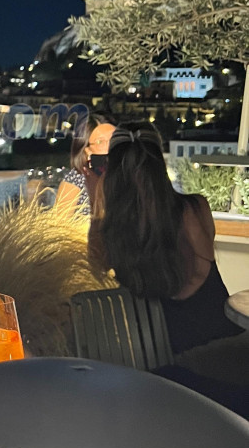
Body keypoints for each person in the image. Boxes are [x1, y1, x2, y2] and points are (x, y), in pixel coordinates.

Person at [89, 122, 242, 355]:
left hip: (160, 355)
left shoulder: (113, 229)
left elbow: (95, 268)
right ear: (159, 162)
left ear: (113, 172)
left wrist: (96, 200)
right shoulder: (194, 208)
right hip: (223, 346)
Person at [55, 114, 115, 213]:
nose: (110, 146)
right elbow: (59, 221)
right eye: (100, 142)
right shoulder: (75, 180)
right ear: (87, 150)